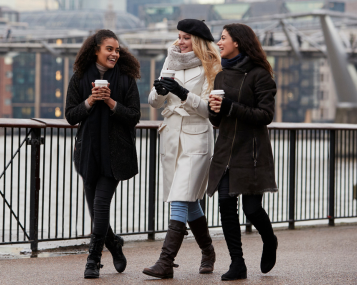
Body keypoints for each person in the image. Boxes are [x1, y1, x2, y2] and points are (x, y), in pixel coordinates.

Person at [142, 19, 221, 279]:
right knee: (189, 201)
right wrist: (160, 90)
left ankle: (165, 262)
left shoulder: (212, 64)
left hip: (197, 138)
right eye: (178, 36)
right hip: (171, 136)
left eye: (186, 37)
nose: (180, 42)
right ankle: (208, 252)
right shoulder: (171, 59)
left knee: (179, 197)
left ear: (197, 40)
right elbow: (154, 103)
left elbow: (209, 109)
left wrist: (184, 93)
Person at [64, 29, 142, 279]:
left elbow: (134, 116)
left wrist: (110, 102)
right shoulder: (79, 77)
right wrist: (89, 101)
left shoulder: (126, 79)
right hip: (87, 153)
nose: (115, 54)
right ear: (95, 50)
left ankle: (93, 260)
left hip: (115, 155)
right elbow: (70, 116)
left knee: (100, 204)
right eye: (109, 49)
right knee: (96, 212)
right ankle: (114, 243)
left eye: (117, 50)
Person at [207, 23, 278, 281]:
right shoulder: (220, 76)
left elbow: (265, 115)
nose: (218, 42)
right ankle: (238, 263)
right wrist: (214, 111)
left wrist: (230, 107)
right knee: (226, 204)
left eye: (223, 38)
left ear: (237, 42)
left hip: (252, 153)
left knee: (251, 209)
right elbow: (219, 121)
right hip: (225, 151)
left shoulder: (260, 75)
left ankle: (269, 240)